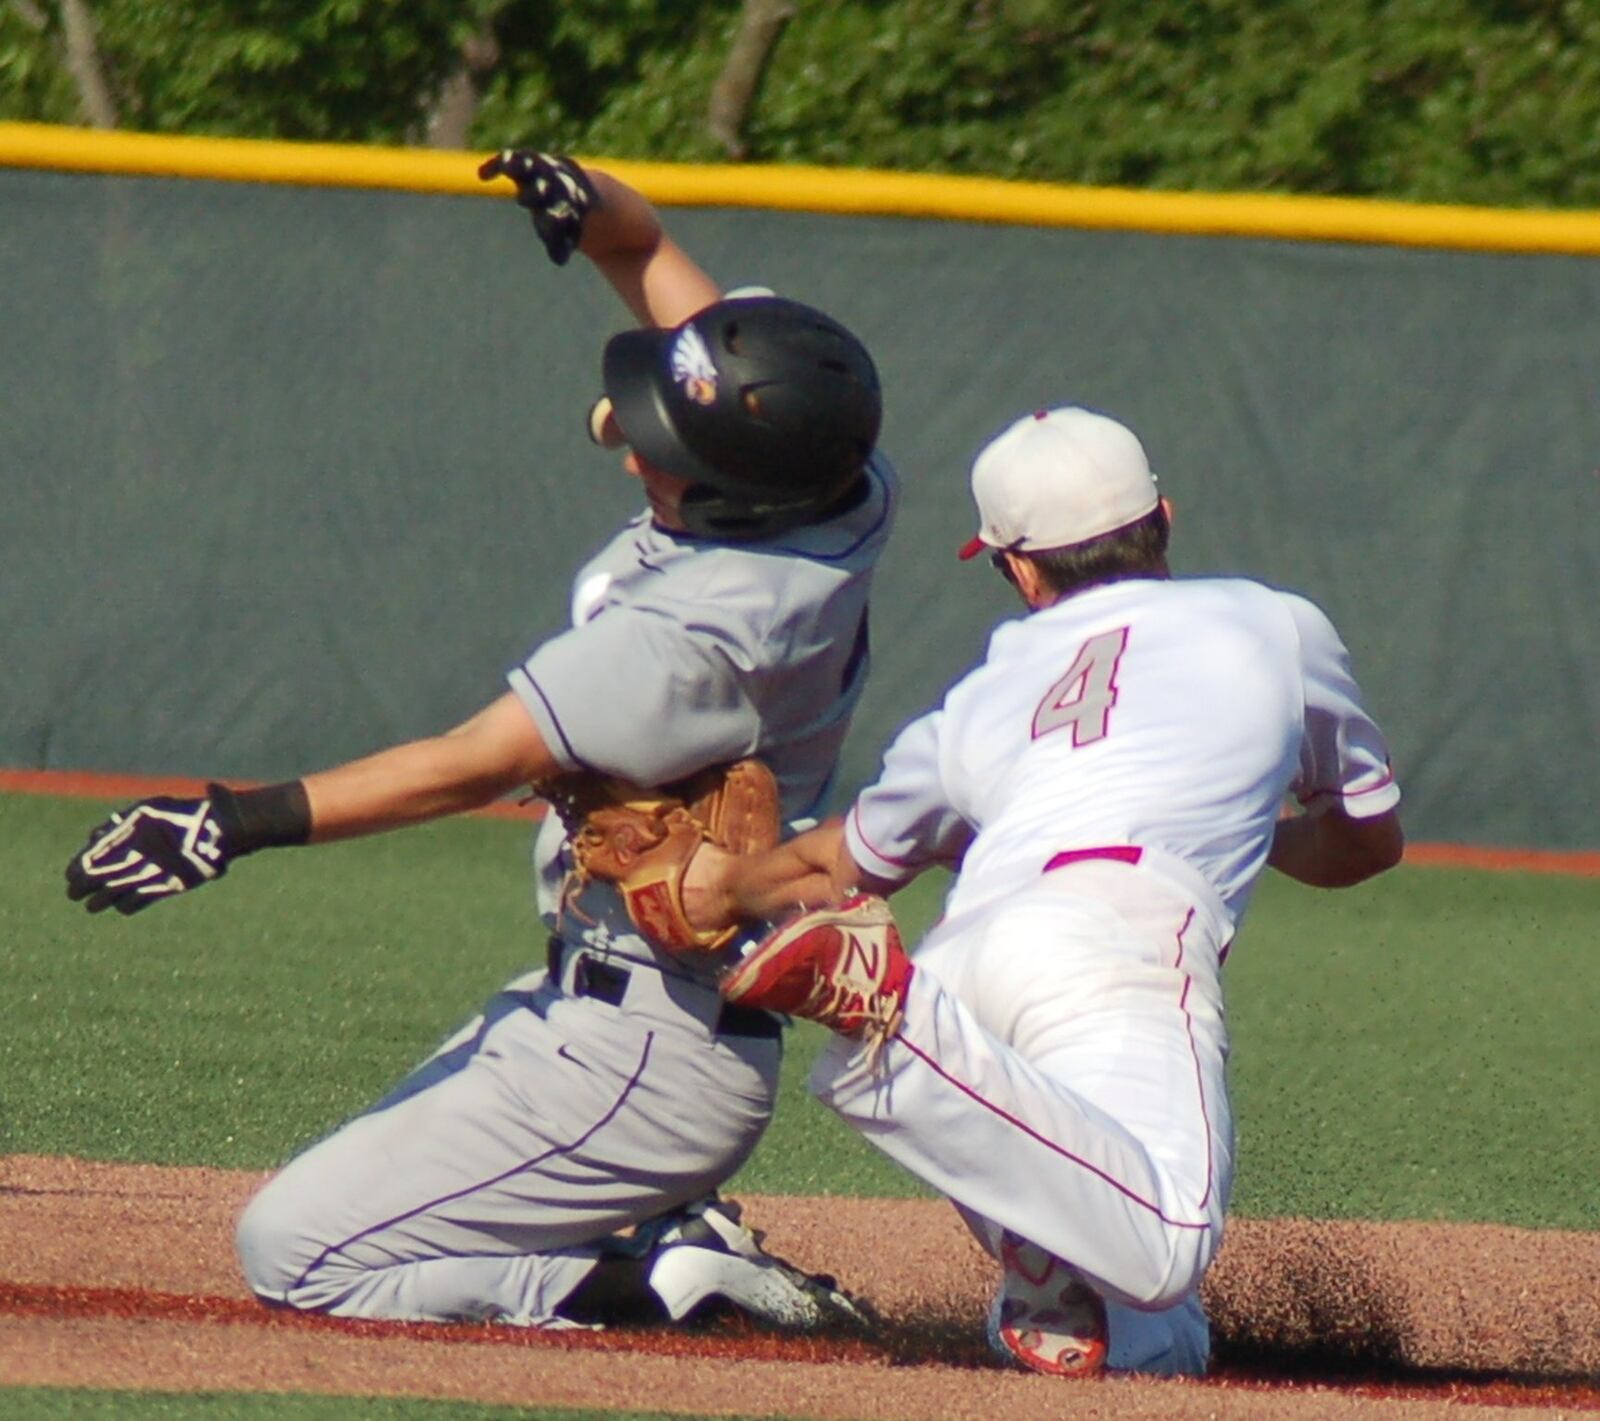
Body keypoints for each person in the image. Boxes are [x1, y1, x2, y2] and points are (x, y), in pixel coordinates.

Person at [63, 151, 895, 1332]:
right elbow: (662, 273)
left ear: (738, 499)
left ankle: (654, 1281)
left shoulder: (693, 636)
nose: (630, 439)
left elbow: (466, 762)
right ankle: (652, 1225)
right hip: (596, 1010)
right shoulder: (842, 485)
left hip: (647, 1052)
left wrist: (231, 821)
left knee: (298, 1252)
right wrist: (603, 217)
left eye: (664, 443)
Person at [684, 405, 1403, 1376]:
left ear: (1018, 568)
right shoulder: (1274, 621)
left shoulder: (984, 687)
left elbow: (844, 860)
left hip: (967, 954)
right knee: (1167, 1243)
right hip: (1109, 944)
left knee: (1149, 1337)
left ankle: (1042, 1267)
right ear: (1166, 517)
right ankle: (895, 1036)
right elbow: (1366, 840)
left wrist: (724, 888)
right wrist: (1251, 812)